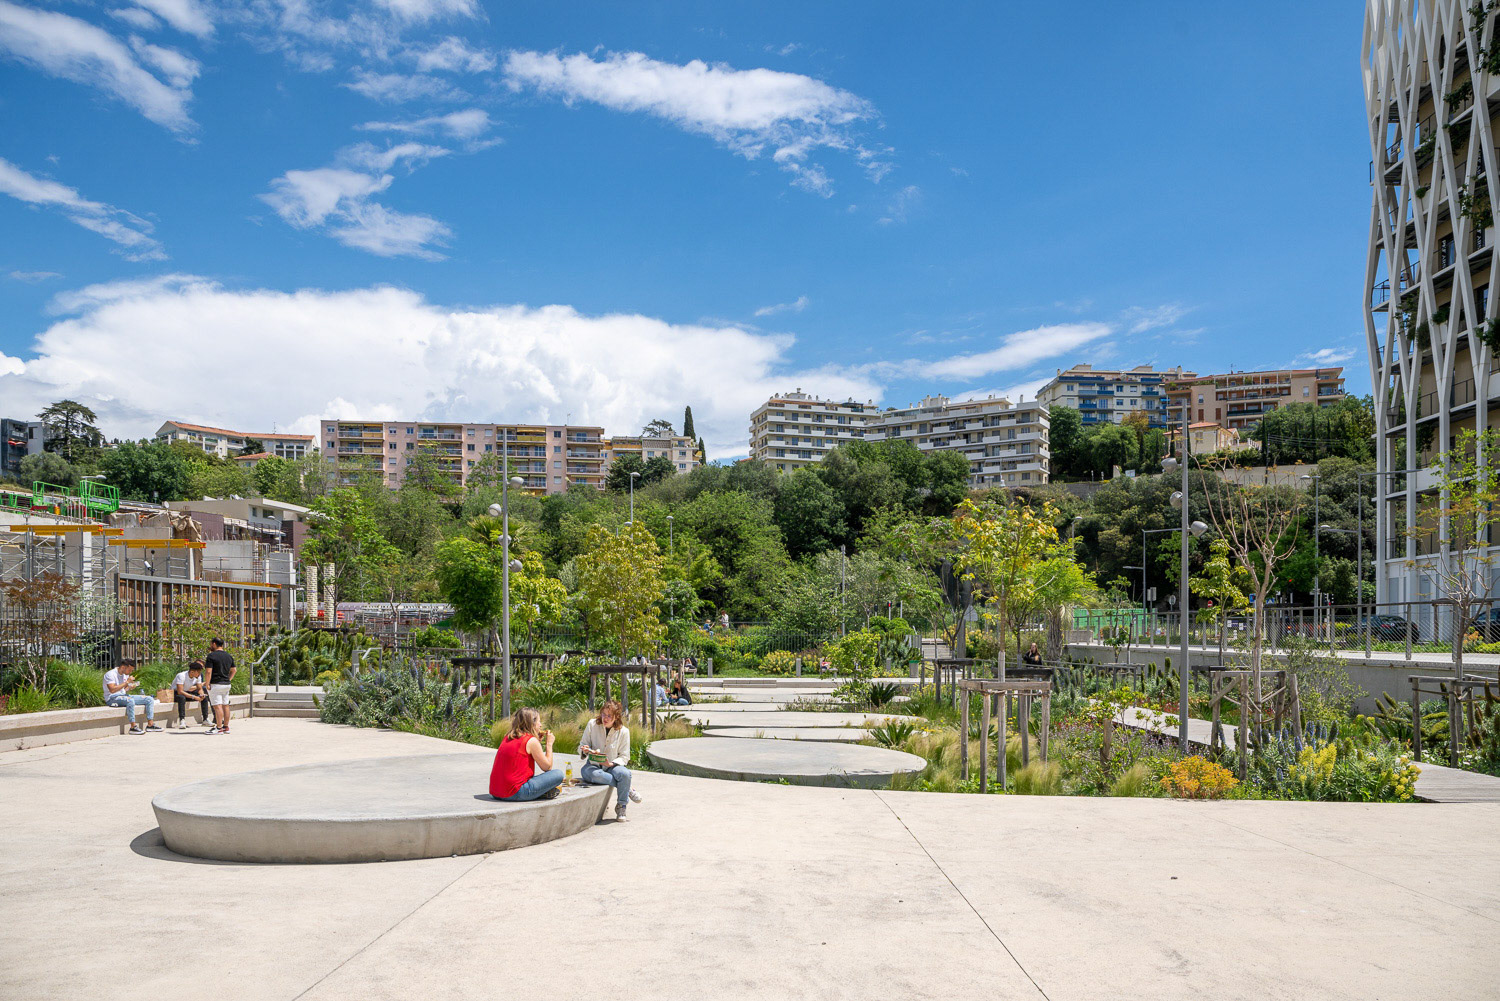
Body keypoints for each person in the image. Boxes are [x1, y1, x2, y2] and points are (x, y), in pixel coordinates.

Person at [579, 700, 643, 822]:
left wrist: (610, 764)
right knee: (594, 775)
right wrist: (585, 750)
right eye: (603, 714)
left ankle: (621, 806)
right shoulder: (592, 724)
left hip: (613, 766)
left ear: (616, 717)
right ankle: (627, 787)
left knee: (625, 774)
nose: (605, 718)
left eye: (609, 716)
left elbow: (624, 756)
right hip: (593, 766)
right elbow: (583, 744)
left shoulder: (624, 732)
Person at [489, 707, 563, 801]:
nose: (540, 725)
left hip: (496, 792)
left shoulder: (508, 737)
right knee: (558, 774)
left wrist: (537, 742)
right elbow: (547, 767)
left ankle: (541, 793)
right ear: (531, 723)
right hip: (515, 793)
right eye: (539, 722)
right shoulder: (531, 741)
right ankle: (539, 793)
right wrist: (549, 744)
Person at [103, 659, 159, 734]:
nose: (130, 672)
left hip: (123, 696)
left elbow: (123, 689)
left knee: (149, 699)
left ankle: (150, 725)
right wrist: (127, 682)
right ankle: (133, 727)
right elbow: (112, 690)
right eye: (130, 670)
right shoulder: (110, 674)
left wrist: (130, 687)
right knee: (130, 700)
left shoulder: (125, 675)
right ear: (123, 667)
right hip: (112, 698)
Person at [204, 638, 236, 734]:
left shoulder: (211, 656)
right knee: (225, 705)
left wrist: (207, 683)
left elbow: (208, 671)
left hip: (216, 684)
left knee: (217, 706)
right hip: (226, 684)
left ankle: (218, 728)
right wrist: (228, 679)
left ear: (214, 644)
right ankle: (226, 727)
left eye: (211, 644)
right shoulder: (229, 656)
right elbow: (234, 670)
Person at [173, 661, 213, 729]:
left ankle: (205, 719)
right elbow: (180, 691)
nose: (199, 674)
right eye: (198, 672)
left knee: (204, 697)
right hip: (176, 693)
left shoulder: (198, 676)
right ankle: (182, 720)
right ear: (192, 672)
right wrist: (194, 697)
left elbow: (199, 688)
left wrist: (201, 695)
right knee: (182, 698)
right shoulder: (181, 675)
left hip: (187, 692)